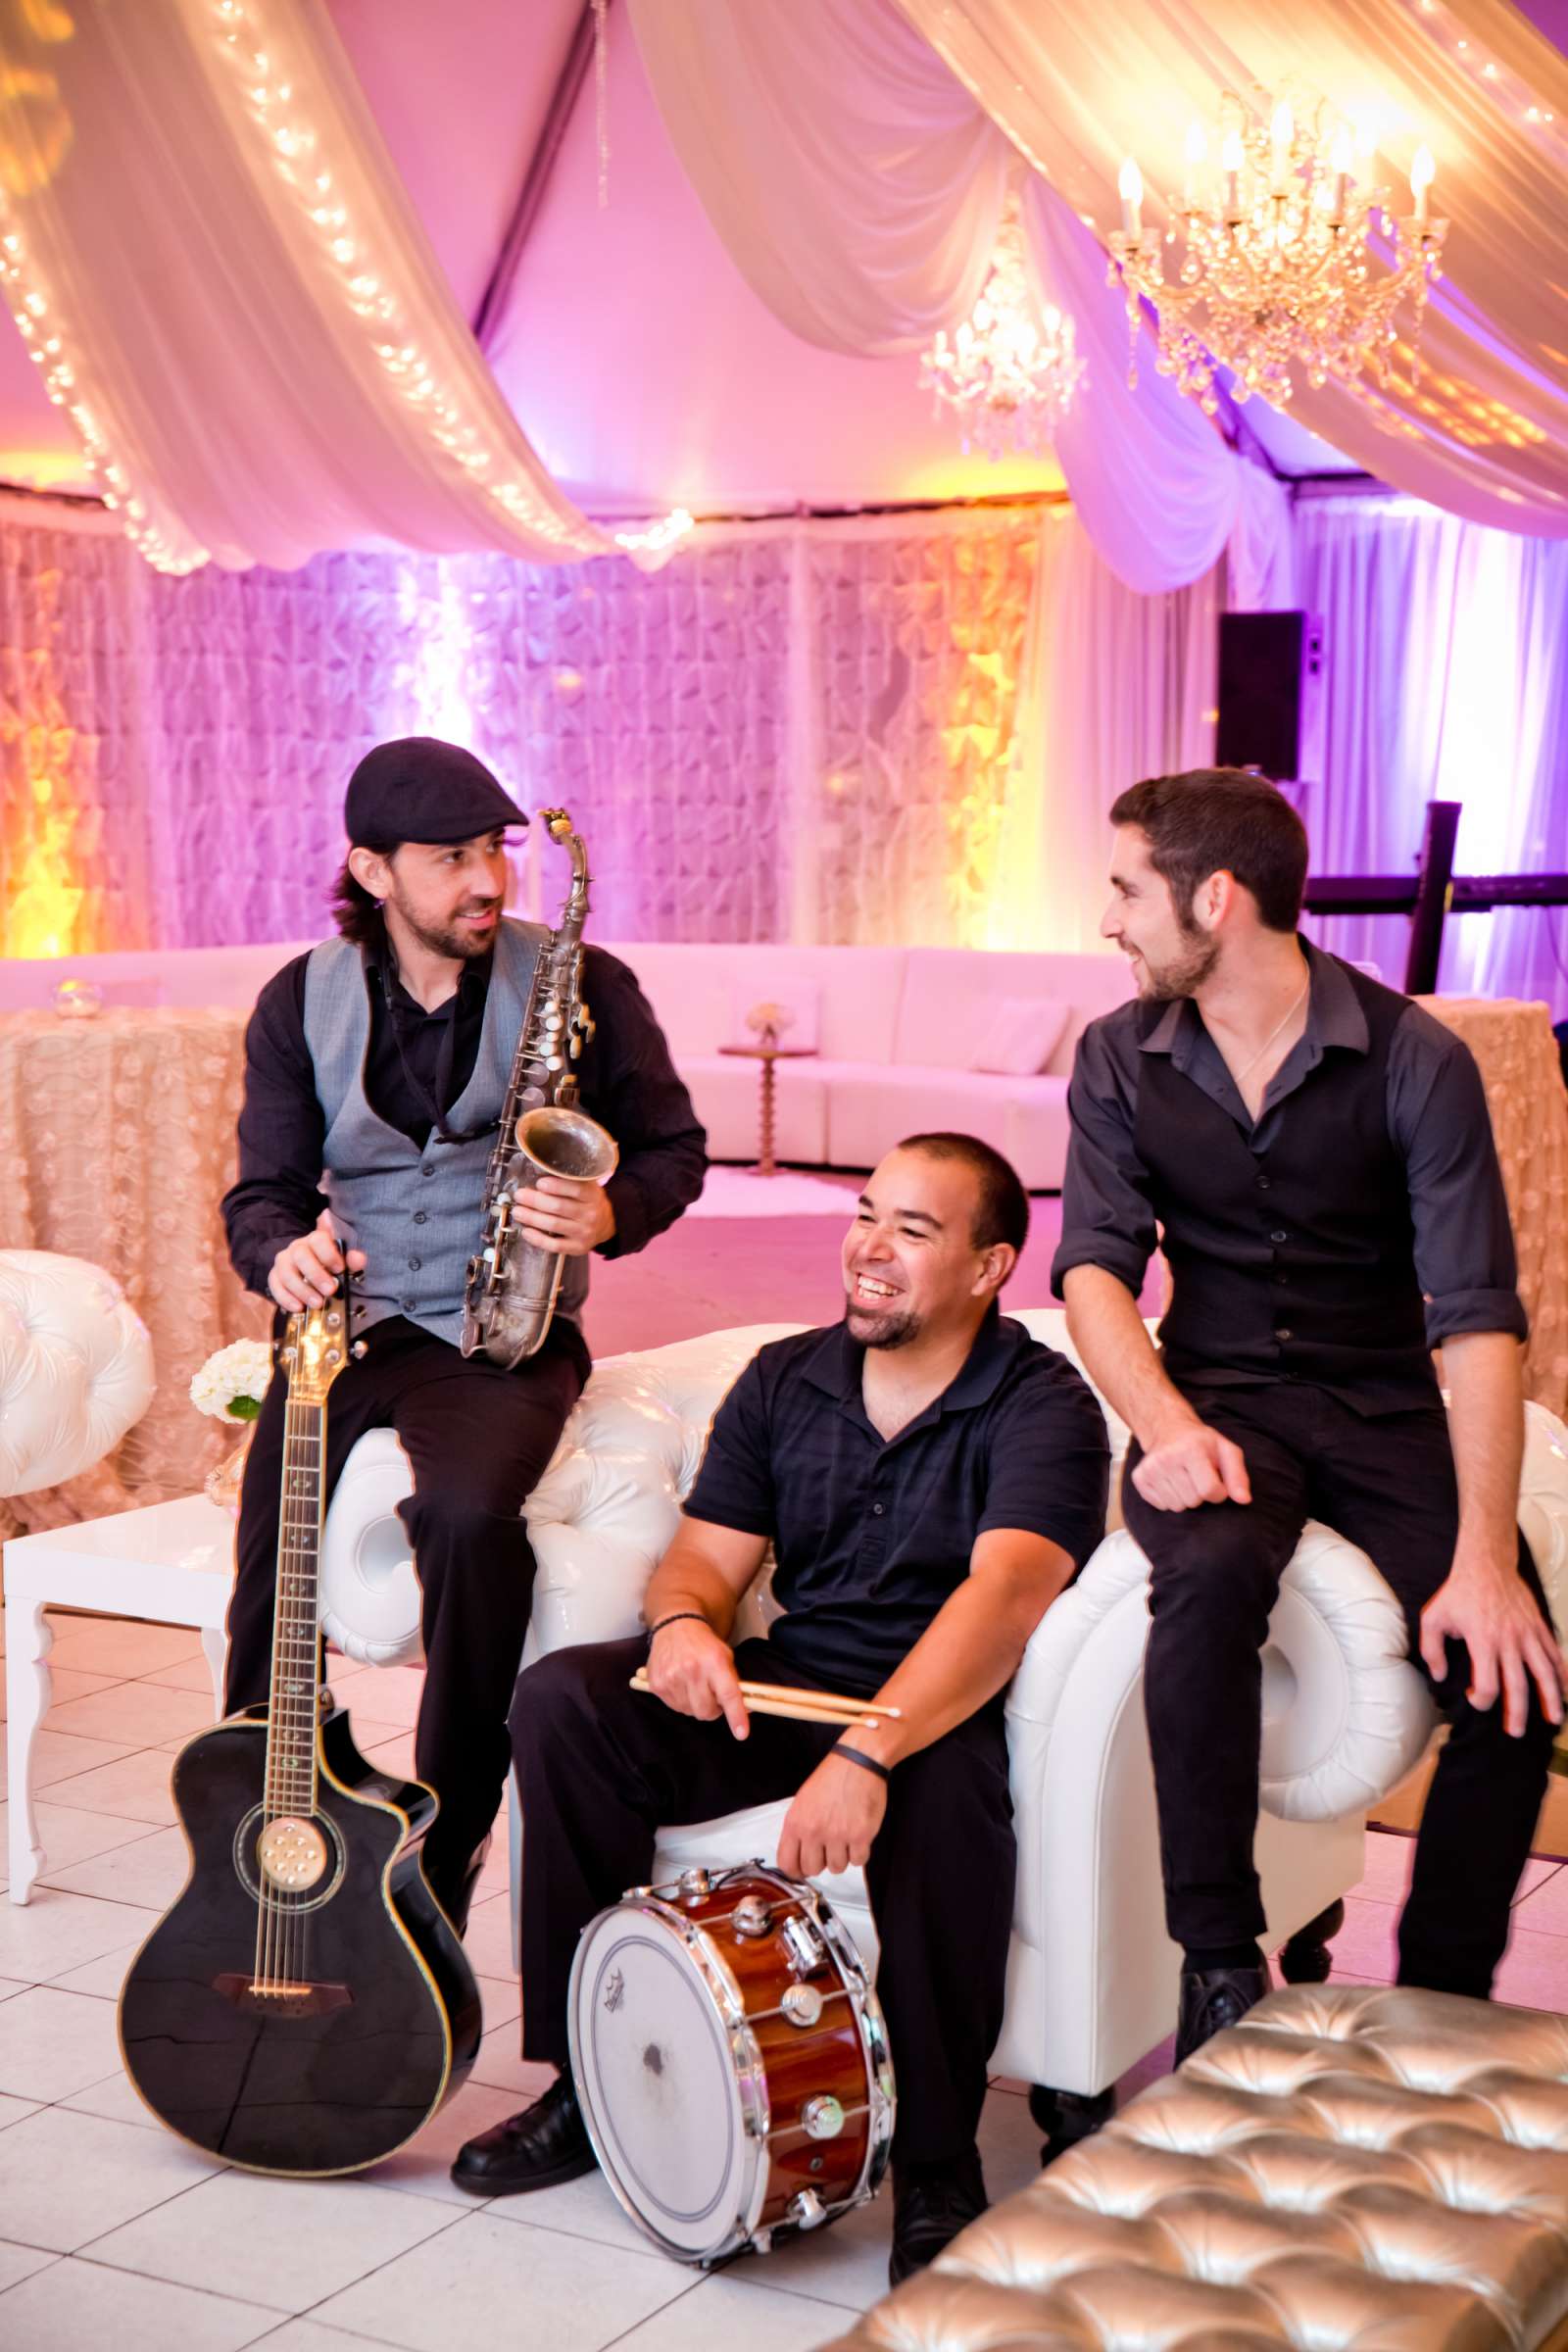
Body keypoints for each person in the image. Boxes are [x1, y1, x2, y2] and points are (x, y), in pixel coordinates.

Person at [451, 1134, 1109, 2281]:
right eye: (866, 1214)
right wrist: (685, 1629)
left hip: (938, 1708)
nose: (870, 1248)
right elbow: (702, 1559)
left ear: (989, 1265)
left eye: (913, 1230)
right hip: (785, 1683)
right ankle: (580, 2079)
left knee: (947, 1803)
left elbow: (1005, 1599)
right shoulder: (785, 1377)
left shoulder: (1041, 1405)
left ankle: (942, 2162)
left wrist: (870, 1752)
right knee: (566, 1699)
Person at [1053, 766, 1564, 2063]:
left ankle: (1440, 1997)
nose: (1108, 919)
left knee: (1514, 1675)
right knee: (1211, 1580)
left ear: (1213, 899)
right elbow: (1097, 1271)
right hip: (1216, 1396)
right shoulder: (1120, 1055)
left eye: (1126, 889)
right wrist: (1166, 1428)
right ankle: (1220, 1965)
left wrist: (1486, 1557)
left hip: (1388, 1406)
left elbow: (1477, 1313)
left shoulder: (1416, 1060)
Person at [220, 737, 706, 1931]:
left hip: (507, 1327)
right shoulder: (300, 999)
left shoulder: (581, 981)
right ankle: (263, 1800)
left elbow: (673, 1150)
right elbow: (262, 1192)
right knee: (265, 1558)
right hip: (352, 1321)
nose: (489, 879)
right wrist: (279, 1249)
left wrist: (611, 1209)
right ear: (372, 871)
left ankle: (446, 1829)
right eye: (453, 857)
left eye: (495, 850)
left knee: (466, 1517)